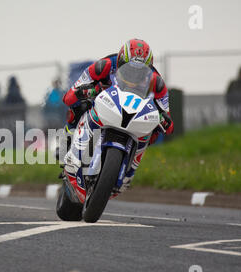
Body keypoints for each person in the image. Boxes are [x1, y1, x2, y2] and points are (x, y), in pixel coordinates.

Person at [62, 38, 174, 191]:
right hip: (104, 100)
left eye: (140, 71)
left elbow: (168, 119)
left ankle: (129, 173)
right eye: (129, 69)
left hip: (135, 113)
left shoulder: (157, 82)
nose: (134, 75)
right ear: (121, 61)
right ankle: (67, 142)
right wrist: (83, 91)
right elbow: (70, 94)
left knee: (154, 133)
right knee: (77, 106)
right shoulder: (105, 65)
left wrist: (164, 120)